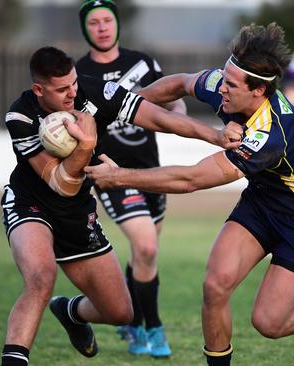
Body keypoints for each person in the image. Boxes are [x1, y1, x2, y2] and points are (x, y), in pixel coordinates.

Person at [86, 23, 294, 366]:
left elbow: (191, 180)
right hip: (263, 200)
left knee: (268, 323)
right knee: (215, 287)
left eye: (231, 84)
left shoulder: (270, 134)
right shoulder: (228, 84)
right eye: (224, 78)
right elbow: (180, 83)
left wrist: (119, 177)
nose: (222, 87)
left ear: (258, 91)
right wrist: (121, 109)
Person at [0, 46, 241, 366]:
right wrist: (85, 145)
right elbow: (59, 183)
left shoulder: (95, 91)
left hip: (77, 211)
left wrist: (214, 135)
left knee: (120, 312)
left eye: (73, 83)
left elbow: (158, 118)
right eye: (61, 89)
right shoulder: (21, 116)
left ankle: (70, 311)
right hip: (32, 205)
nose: (72, 93)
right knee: (41, 278)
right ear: (39, 90)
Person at [75, 0, 186, 357]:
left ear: (117, 25)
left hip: (151, 171)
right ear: (86, 30)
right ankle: (151, 329)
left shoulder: (143, 64)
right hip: (111, 174)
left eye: (108, 20)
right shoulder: (78, 74)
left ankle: (129, 319)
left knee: (144, 252)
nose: (102, 27)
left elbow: (173, 101)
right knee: (147, 246)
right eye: (94, 23)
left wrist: (179, 117)